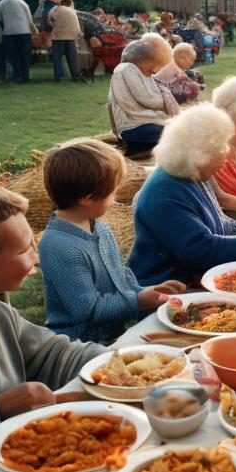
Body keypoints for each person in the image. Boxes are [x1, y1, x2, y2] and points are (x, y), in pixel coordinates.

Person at [127, 103, 236, 287]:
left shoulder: (193, 172)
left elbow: (215, 223)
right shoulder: (164, 192)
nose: (224, 160)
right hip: (167, 292)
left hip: (200, 277)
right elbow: (200, 252)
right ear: (198, 154)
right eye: (221, 150)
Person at [39, 139, 186, 345]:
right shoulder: (59, 246)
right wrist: (137, 302)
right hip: (79, 346)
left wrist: (145, 291)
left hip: (115, 336)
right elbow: (87, 310)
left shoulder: (100, 228)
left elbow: (120, 279)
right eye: (112, 193)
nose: (115, 200)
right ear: (87, 198)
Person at [0, 186, 106, 425]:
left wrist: (123, 360)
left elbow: (53, 354)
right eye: (26, 249)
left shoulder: (0, 315)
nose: (37, 258)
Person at [108, 33, 179, 155]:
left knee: (181, 127)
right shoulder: (125, 70)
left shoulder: (144, 74)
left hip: (146, 123)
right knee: (177, 131)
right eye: (155, 65)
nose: (155, 71)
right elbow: (150, 101)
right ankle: (138, 149)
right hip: (133, 127)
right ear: (144, 59)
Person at [0, 0, 38, 83]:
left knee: (12, 56)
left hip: (8, 33)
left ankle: (16, 75)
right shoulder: (21, 2)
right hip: (24, 32)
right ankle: (25, 77)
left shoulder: (1, 2)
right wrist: (33, 30)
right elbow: (29, 19)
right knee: (24, 55)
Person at [48, 0, 83, 82]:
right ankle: (75, 74)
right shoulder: (72, 11)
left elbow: (50, 20)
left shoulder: (56, 10)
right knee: (72, 56)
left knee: (57, 56)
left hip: (58, 36)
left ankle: (58, 75)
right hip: (71, 36)